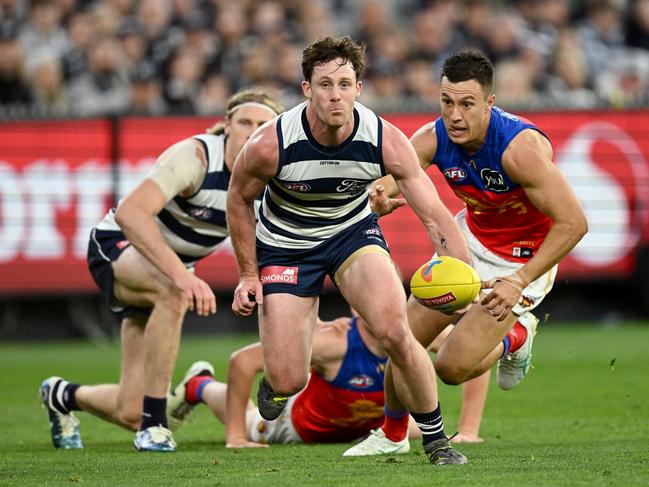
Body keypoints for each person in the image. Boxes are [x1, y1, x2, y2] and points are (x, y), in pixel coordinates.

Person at [225, 35, 473, 465]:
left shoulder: (385, 139)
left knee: (396, 330)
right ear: (307, 89)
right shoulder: (271, 144)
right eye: (324, 84)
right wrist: (249, 274)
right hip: (286, 248)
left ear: (359, 88)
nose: (335, 95)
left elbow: (434, 213)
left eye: (344, 84)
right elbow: (238, 200)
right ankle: (275, 385)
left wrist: (464, 274)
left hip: (351, 234)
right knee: (288, 377)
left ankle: (436, 441)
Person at [344, 49, 588, 456]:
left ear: (489, 103)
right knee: (400, 337)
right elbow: (388, 181)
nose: (454, 115)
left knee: (452, 369)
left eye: (466, 104)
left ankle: (518, 335)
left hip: (522, 259)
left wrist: (518, 281)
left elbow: (574, 223)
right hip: (468, 244)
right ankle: (391, 435)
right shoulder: (434, 136)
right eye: (447, 102)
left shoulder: (518, 149)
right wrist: (379, 197)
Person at [39, 88, 284, 452]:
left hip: (164, 269)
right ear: (226, 126)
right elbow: (131, 213)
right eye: (243, 122)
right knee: (174, 292)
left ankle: (61, 396)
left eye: (262, 124)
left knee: (129, 409)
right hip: (119, 246)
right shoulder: (197, 156)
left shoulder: (268, 174)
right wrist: (182, 274)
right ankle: (155, 427)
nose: (251, 130)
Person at [165, 313, 421, 447]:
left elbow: (459, 357)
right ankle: (199, 385)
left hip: (365, 427)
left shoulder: (415, 334)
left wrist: (464, 430)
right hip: (295, 426)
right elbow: (242, 362)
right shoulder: (335, 341)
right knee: (249, 421)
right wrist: (236, 437)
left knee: (418, 429)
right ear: (357, 304)